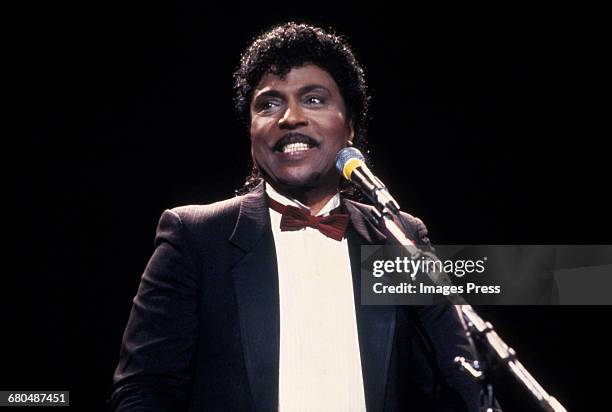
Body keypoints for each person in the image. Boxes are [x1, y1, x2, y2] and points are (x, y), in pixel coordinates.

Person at [109, 22, 484, 411]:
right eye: (268, 104)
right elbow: (143, 392)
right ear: (251, 130)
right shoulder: (196, 238)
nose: (290, 117)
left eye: (314, 99)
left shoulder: (397, 236)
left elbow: (461, 385)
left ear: (349, 127)